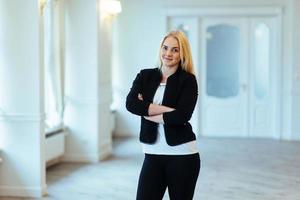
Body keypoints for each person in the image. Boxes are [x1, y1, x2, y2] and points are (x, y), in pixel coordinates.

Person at [126, 30, 200, 200]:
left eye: (175, 49)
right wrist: (168, 110)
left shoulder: (188, 80)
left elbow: (182, 116)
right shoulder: (145, 76)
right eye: (165, 48)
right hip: (152, 155)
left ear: (182, 54)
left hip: (183, 155)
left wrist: (147, 109)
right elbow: (131, 104)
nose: (168, 53)